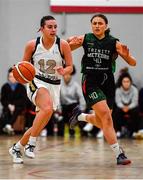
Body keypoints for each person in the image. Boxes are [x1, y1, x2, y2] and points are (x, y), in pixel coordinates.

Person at [67, 13, 136, 165]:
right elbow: (65, 49)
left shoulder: (113, 42)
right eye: (94, 23)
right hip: (90, 81)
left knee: (102, 120)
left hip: (108, 82)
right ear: (91, 25)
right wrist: (65, 43)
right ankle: (119, 154)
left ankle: (80, 116)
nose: (97, 25)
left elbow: (132, 63)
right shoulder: (85, 38)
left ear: (106, 26)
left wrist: (127, 55)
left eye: (100, 23)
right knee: (106, 116)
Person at [9, 15, 73, 163]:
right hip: (36, 82)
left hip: (54, 85)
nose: (53, 29)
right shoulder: (32, 45)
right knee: (47, 108)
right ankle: (31, 144)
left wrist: (64, 71)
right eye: (50, 27)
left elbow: (70, 66)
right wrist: (18, 71)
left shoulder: (63, 45)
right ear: (42, 29)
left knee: (38, 124)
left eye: (55, 27)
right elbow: (23, 66)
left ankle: (17, 148)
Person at [0, 68, 27, 135]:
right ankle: (8, 126)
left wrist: (14, 105)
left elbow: (23, 99)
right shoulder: (5, 87)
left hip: (19, 106)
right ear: (8, 77)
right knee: (5, 110)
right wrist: (9, 105)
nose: (12, 78)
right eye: (10, 77)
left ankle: (8, 125)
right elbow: (3, 99)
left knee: (17, 110)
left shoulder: (21, 87)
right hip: (8, 106)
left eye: (13, 77)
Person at [113, 73, 139, 138]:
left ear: (130, 82)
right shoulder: (118, 90)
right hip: (121, 107)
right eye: (124, 81)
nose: (126, 83)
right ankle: (118, 131)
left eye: (128, 81)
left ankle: (133, 132)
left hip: (131, 107)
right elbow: (118, 102)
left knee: (136, 111)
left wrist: (128, 107)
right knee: (116, 112)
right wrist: (123, 107)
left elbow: (135, 102)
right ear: (121, 82)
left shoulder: (134, 90)